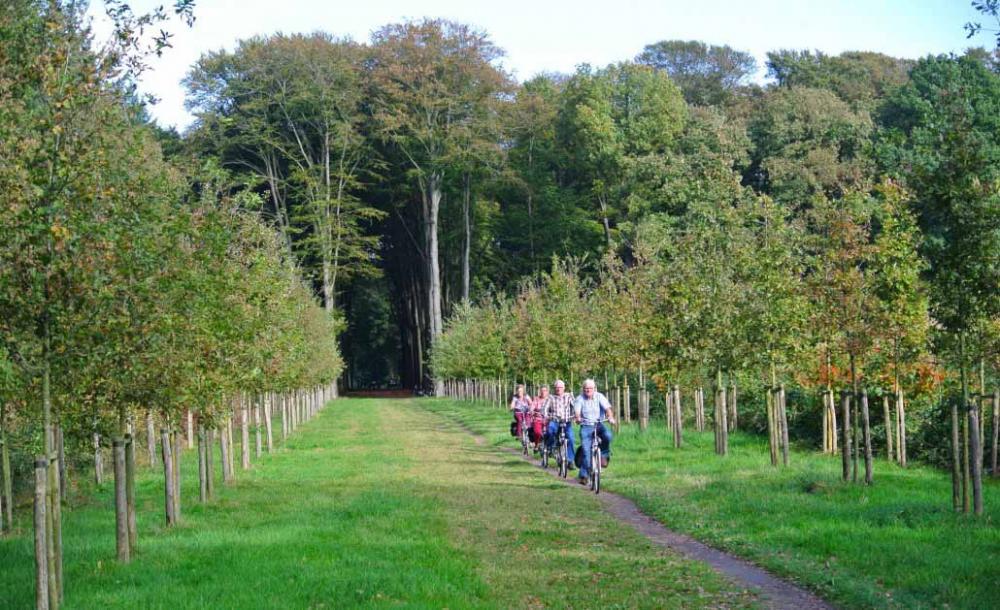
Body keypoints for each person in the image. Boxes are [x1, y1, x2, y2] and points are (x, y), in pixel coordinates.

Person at [573, 378, 615, 485]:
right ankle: (584, 475)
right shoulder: (580, 398)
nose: (588, 390)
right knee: (587, 453)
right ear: (583, 389)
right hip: (586, 427)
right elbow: (577, 411)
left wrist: (610, 417)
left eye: (590, 388)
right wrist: (578, 418)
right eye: (586, 388)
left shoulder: (599, 396)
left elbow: (607, 408)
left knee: (608, 436)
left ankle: (604, 455)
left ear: (594, 388)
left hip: (598, 424)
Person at [543, 379, 576, 470]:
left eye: (560, 387)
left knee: (571, 438)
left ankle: (570, 460)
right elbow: (544, 409)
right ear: (554, 388)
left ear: (564, 388)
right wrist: (546, 416)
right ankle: (550, 447)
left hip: (566, 421)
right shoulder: (551, 397)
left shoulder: (569, 396)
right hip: (555, 420)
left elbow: (575, 406)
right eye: (557, 387)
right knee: (550, 431)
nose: (558, 389)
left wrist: (575, 415)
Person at [530, 386, 549, 453]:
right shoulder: (536, 399)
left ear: (547, 392)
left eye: (544, 390)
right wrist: (532, 411)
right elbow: (532, 406)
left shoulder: (550, 399)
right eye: (541, 391)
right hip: (538, 419)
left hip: (548, 419)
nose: (543, 392)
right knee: (537, 432)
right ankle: (537, 444)